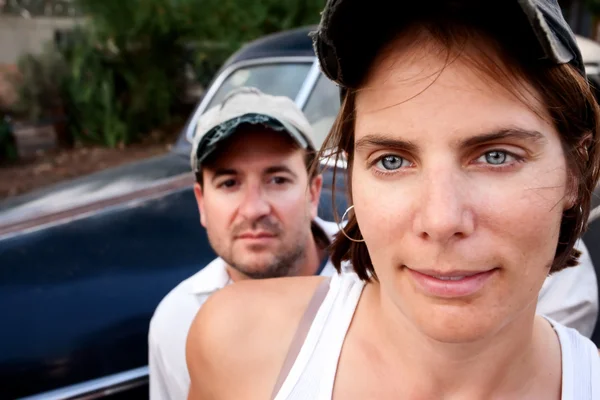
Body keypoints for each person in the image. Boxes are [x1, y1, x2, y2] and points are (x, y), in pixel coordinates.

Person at [186, 1, 600, 399]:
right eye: (392, 160)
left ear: (574, 173)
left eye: (497, 156)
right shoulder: (237, 344)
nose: (440, 220)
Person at [148, 87, 340, 400]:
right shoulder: (178, 320)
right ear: (201, 203)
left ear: (313, 193)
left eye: (277, 179)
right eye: (229, 183)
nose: (253, 209)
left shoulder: (373, 272)